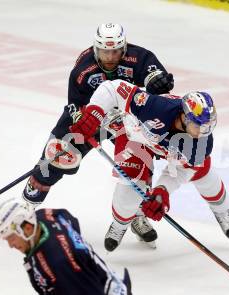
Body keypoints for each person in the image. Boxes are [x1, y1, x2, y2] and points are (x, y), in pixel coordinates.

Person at [22, 23, 175, 245]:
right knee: (55, 156)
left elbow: (156, 82)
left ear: (124, 48)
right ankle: (28, 207)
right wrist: (81, 121)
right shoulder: (83, 68)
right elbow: (74, 105)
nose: (110, 56)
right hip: (92, 117)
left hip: (127, 120)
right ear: (96, 48)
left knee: (140, 164)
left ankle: (137, 213)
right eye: (105, 51)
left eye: (115, 51)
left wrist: (159, 83)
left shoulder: (140, 58)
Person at [69, 79, 229, 251]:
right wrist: (94, 113)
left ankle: (222, 210)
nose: (204, 133)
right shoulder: (155, 107)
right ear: (184, 117)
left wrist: (161, 191)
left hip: (166, 147)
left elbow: (182, 170)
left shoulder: (200, 142)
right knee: (128, 192)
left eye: (209, 127)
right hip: (135, 138)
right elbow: (113, 88)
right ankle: (119, 225)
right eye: (199, 126)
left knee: (204, 175)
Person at [0, 199, 132, 295]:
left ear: (27, 228)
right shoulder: (45, 216)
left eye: (11, 237)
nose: (10, 245)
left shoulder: (58, 264)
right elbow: (68, 218)